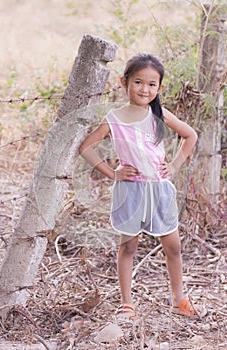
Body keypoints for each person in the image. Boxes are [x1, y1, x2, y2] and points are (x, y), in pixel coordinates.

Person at [79, 53, 199, 320]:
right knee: (128, 248)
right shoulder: (115, 118)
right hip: (131, 191)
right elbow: (86, 147)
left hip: (159, 190)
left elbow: (190, 135)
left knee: (173, 247)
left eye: (151, 84)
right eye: (138, 82)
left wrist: (175, 165)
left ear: (160, 87)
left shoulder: (159, 114)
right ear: (125, 82)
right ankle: (127, 303)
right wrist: (113, 172)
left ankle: (178, 298)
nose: (145, 89)